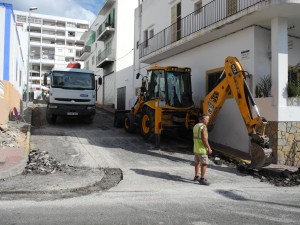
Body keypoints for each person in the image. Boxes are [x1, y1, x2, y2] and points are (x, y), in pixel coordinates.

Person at [193, 114, 212, 185]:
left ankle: (196, 177)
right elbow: (204, 139)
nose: (208, 121)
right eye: (207, 119)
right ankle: (202, 179)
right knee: (204, 164)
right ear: (203, 120)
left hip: (196, 148)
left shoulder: (196, 126)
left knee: (197, 163)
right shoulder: (203, 127)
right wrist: (209, 148)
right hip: (202, 149)